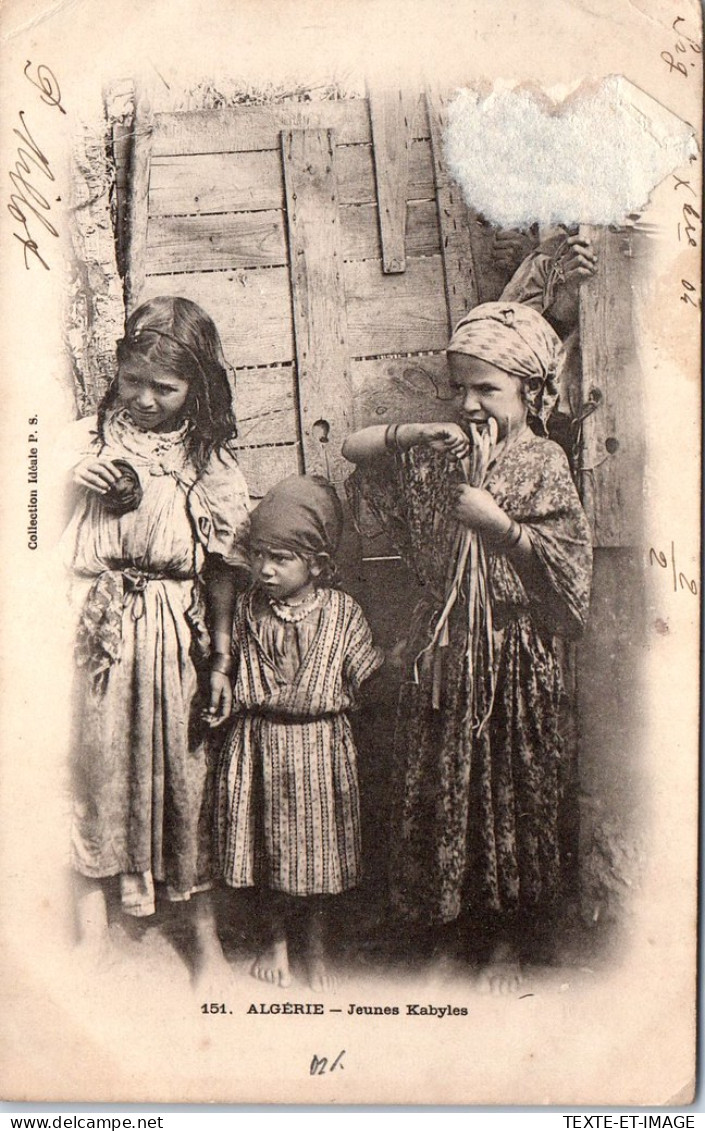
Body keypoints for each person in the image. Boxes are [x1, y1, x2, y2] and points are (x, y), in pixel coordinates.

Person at [342, 301, 593, 992]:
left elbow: (568, 576)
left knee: (511, 793)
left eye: (488, 388)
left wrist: (501, 526)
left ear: (531, 392)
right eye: (461, 387)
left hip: (513, 657)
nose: (470, 403)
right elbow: (352, 449)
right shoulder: (441, 454)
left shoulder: (544, 462)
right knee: (441, 790)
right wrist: (413, 429)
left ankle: (507, 943)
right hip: (445, 650)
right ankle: (450, 935)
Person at [60, 295, 250, 985]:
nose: (143, 399)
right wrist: (60, 481)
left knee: (185, 773)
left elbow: (226, 568)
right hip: (93, 625)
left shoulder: (208, 461)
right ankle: (91, 932)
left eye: (164, 388)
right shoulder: (83, 438)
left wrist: (223, 658)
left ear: (196, 388)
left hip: (173, 631)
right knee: (92, 764)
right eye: (132, 380)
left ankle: (204, 942)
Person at [217, 475, 383, 991]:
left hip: (320, 751)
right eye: (260, 556)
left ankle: (314, 945)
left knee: (320, 860)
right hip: (259, 747)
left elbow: (368, 675)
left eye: (281, 558)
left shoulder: (341, 614)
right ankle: (275, 943)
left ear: (317, 564)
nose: (265, 569)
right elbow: (229, 669)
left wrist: (397, 668)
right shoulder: (248, 612)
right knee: (265, 855)